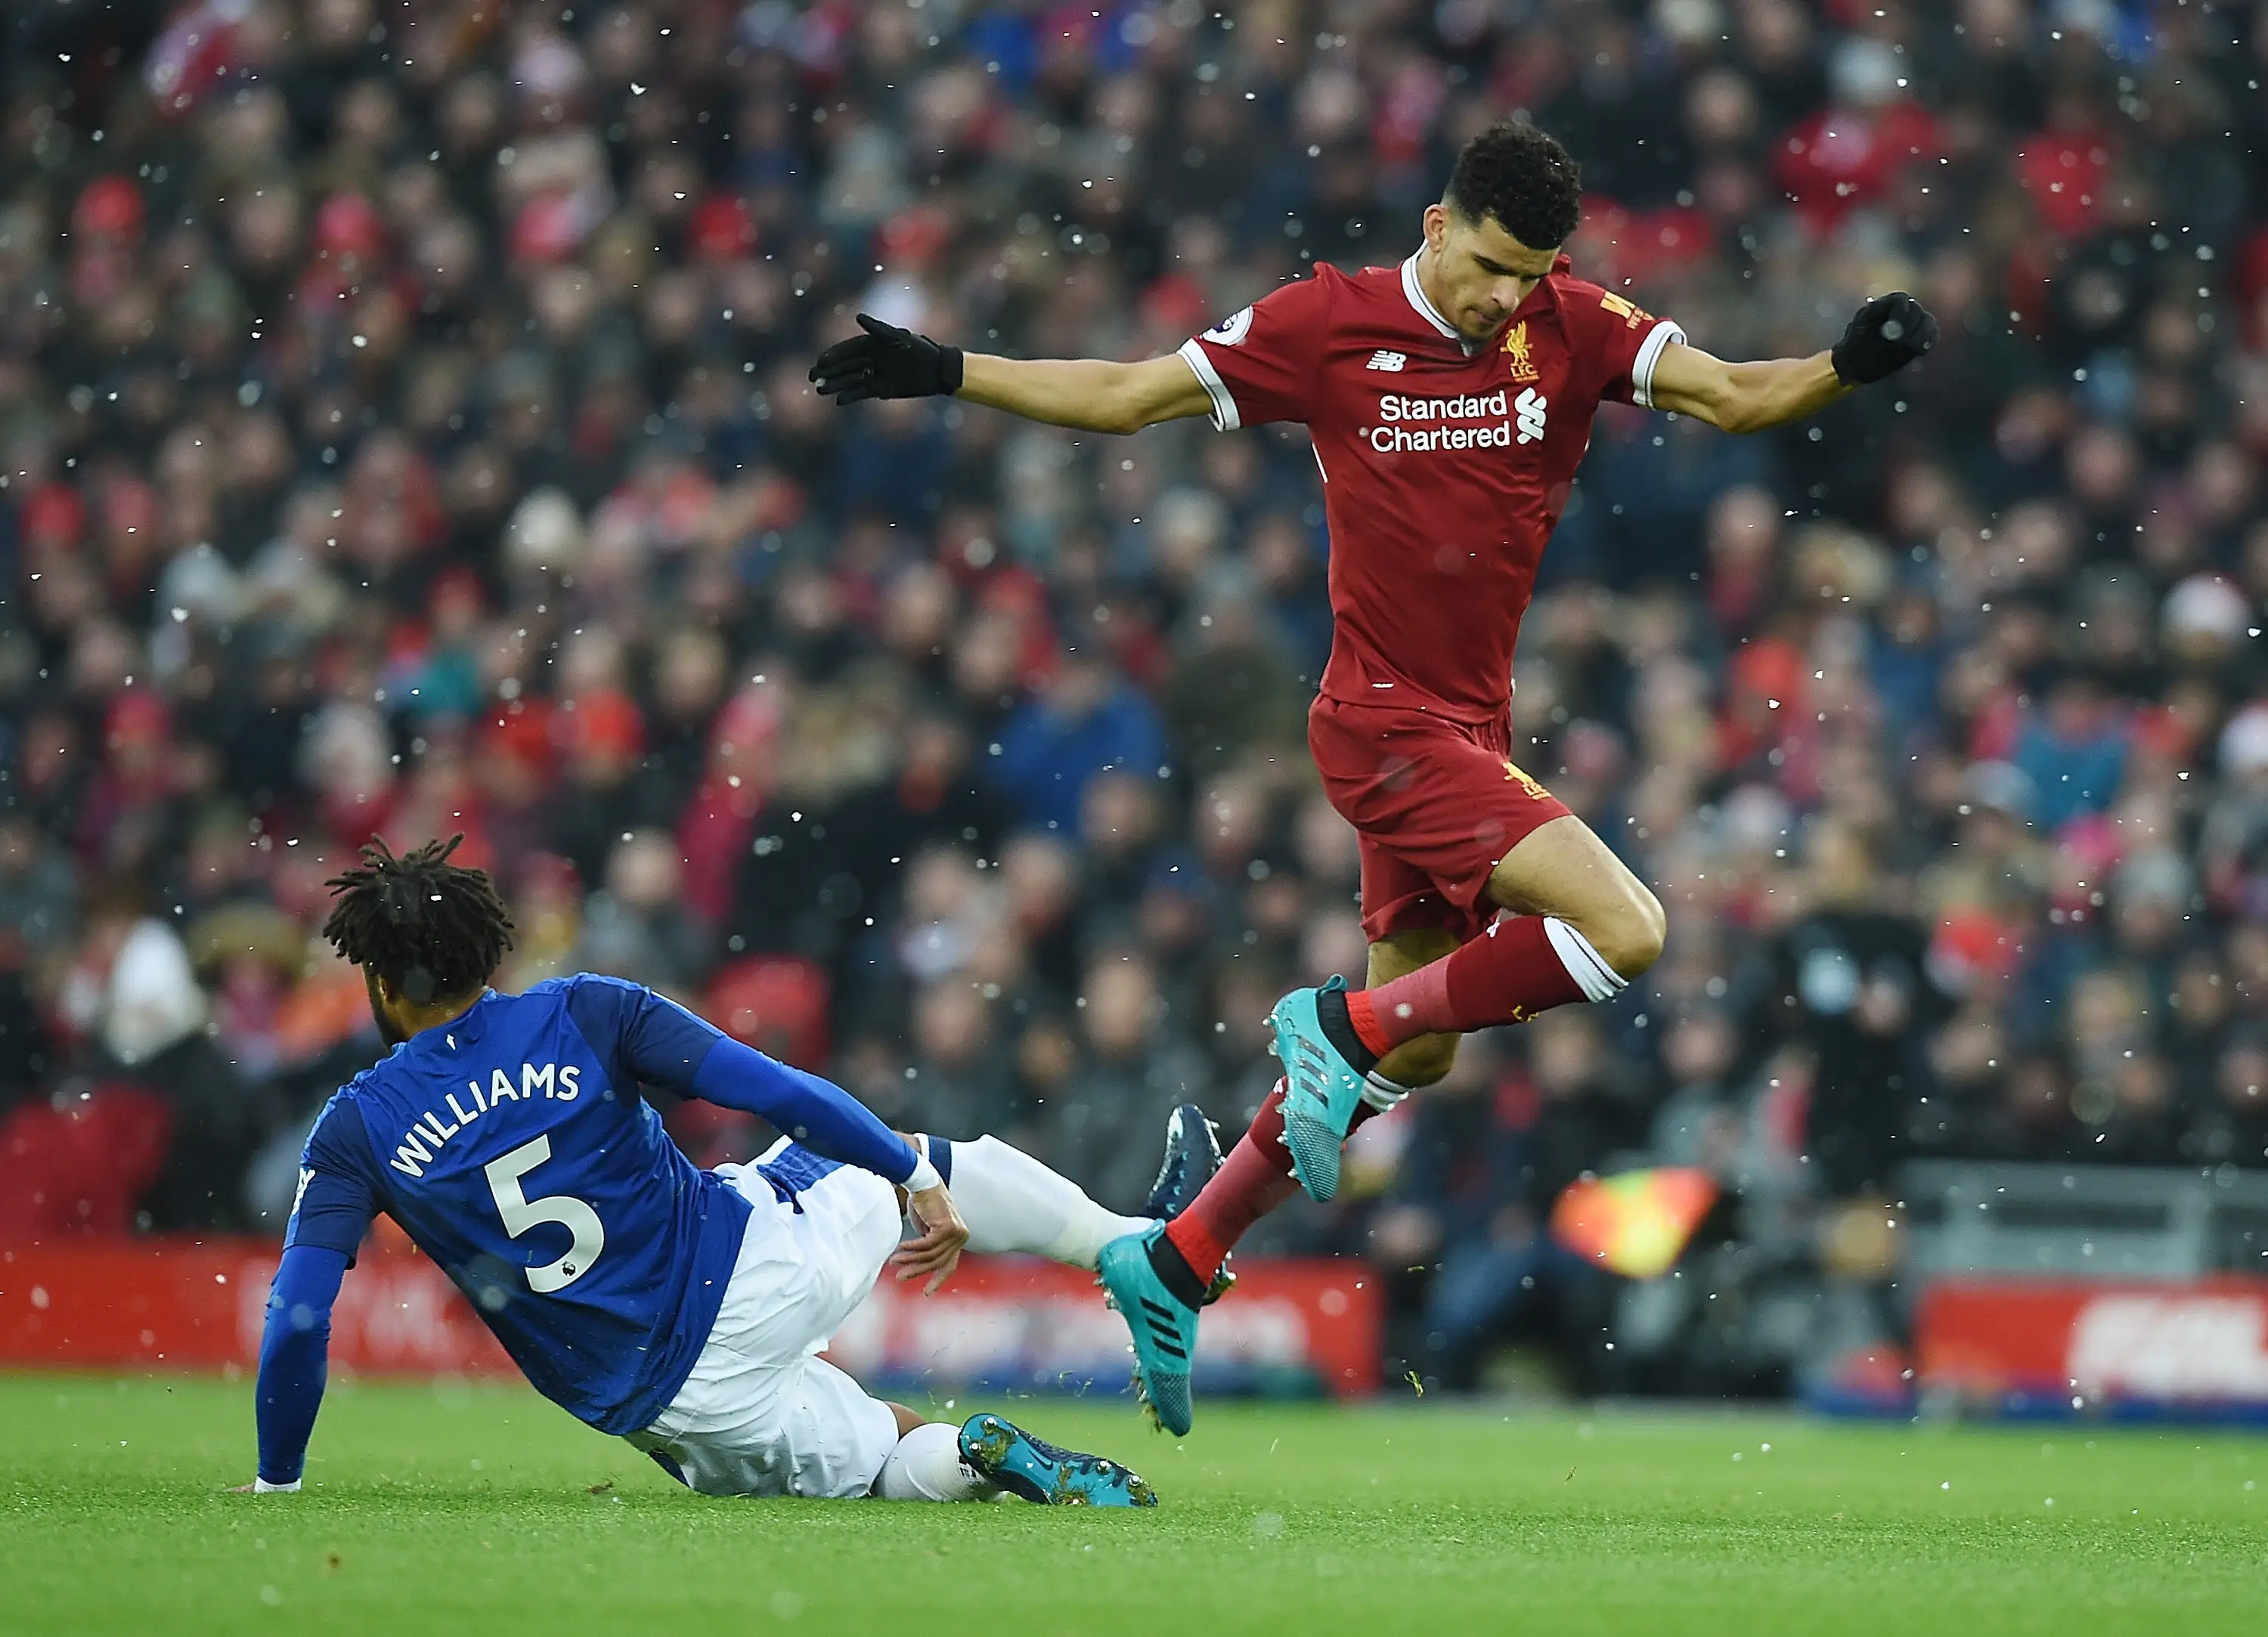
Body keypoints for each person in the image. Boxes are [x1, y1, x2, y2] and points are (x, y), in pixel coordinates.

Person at [811, 121, 1936, 1433]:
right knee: (1628, 927)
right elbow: (1127, 394)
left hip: (1468, 734)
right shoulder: (1327, 325)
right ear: (1438, 229)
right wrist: (947, 369)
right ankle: (1334, 1030)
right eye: (1494, 268)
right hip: (1383, 726)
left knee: (1430, 1043)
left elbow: (1739, 394)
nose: (1508, 299)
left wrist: (1849, 366)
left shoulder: (1572, 327)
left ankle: (1176, 1256)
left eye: (1534, 275)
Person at [239, 836, 1222, 1505]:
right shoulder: (587, 1009)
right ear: (491, 946)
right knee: (908, 1151)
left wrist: (277, 1479)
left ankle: (971, 1455)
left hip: (670, 1408)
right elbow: (783, 1093)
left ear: (375, 979)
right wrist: (908, 1174)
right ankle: (1132, 1250)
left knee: (882, 1458)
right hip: (746, 1266)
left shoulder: (356, 1127)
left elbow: (298, 1313)